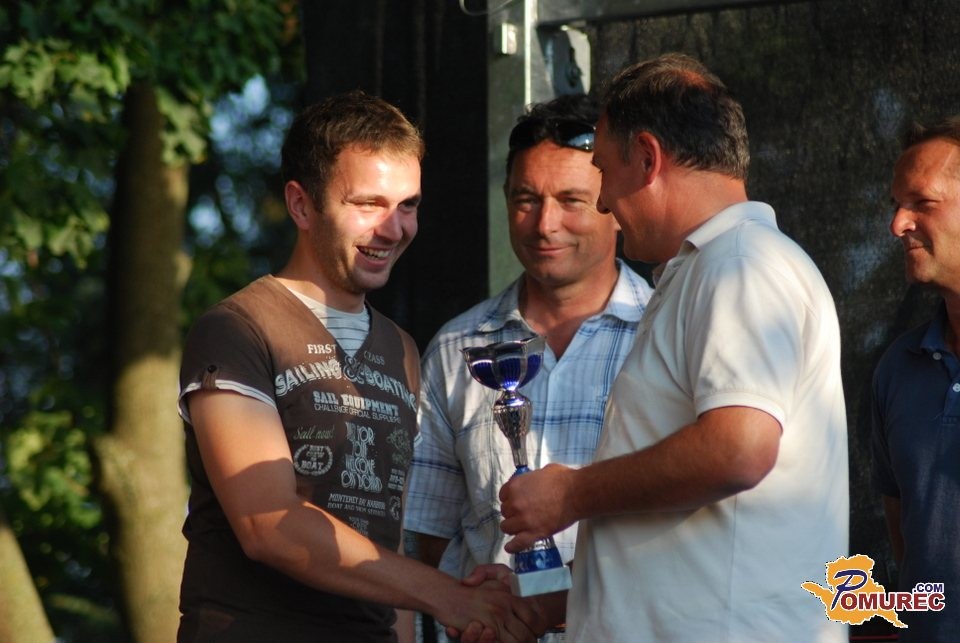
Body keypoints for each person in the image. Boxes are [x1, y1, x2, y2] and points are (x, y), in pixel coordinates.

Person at [496, 53, 850, 641]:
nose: (604, 202)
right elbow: (686, 528)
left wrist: (571, 493)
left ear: (647, 157)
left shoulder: (740, 264)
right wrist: (553, 600)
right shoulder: (711, 269)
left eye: (603, 171)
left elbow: (738, 449)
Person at [176, 90, 541, 643]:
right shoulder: (237, 328)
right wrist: (450, 596)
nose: (393, 229)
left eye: (408, 206)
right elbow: (266, 524)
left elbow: (392, 538)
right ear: (301, 205)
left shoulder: (402, 349)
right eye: (368, 204)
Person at [403, 93, 654, 640]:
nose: (545, 224)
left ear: (615, 204)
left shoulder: (664, 335)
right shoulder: (456, 349)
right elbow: (425, 537)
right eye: (526, 199)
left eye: (571, 200)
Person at [872, 115, 960, 641]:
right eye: (896, 205)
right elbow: (905, 535)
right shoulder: (897, 369)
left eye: (922, 202)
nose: (897, 224)